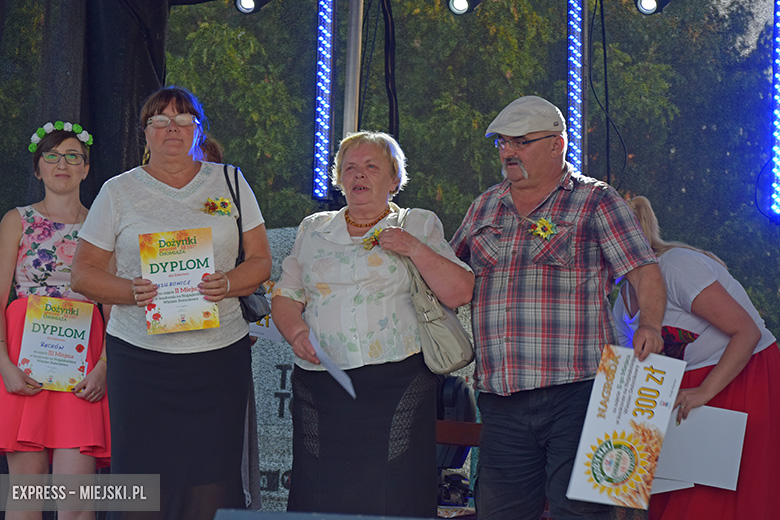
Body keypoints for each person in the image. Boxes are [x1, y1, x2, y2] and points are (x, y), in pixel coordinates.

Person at [449, 95, 666, 520]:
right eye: (502, 144)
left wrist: (652, 325)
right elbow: (448, 277)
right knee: (501, 513)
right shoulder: (484, 205)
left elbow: (644, 269)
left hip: (580, 393)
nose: (508, 152)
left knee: (583, 512)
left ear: (557, 145)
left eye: (520, 142)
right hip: (501, 396)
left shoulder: (595, 199)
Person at [70, 86, 272, 520]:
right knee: (140, 483)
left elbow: (260, 262)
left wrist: (229, 282)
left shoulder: (231, 181)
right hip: (140, 359)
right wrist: (129, 291)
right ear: (145, 133)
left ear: (200, 129)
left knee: (212, 478)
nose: (172, 129)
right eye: (159, 121)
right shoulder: (117, 191)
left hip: (218, 357)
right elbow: (83, 273)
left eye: (183, 120)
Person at [272, 131, 474, 518]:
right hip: (320, 383)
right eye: (350, 168)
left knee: (394, 493)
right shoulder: (313, 228)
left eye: (371, 167)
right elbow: (286, 295)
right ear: (339, 178)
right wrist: (296, 333)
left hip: (397, 382)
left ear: (394, 180)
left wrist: (413, 248)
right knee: (318, 493)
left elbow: (460, 292)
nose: (359, 175)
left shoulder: (417, 222)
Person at [612, 196, 780, 520]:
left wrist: (704, 391)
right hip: (680, 393)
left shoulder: (675, 266)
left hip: (741, 373)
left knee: (718, 502)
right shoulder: (623, 301)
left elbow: (748, 331)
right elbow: (636, 377)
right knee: (671, 496)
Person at [0, 121, 110, 520]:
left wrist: (104, 367)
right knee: (25, 500)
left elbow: (115, 305)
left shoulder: (103, 227)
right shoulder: (17, 220)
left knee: (77, 504)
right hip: (21, 362)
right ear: (37, 168)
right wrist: (4, 365)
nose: (61, 163)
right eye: (51, 155)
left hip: (82, 367)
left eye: (72, 156)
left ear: (85, 168)